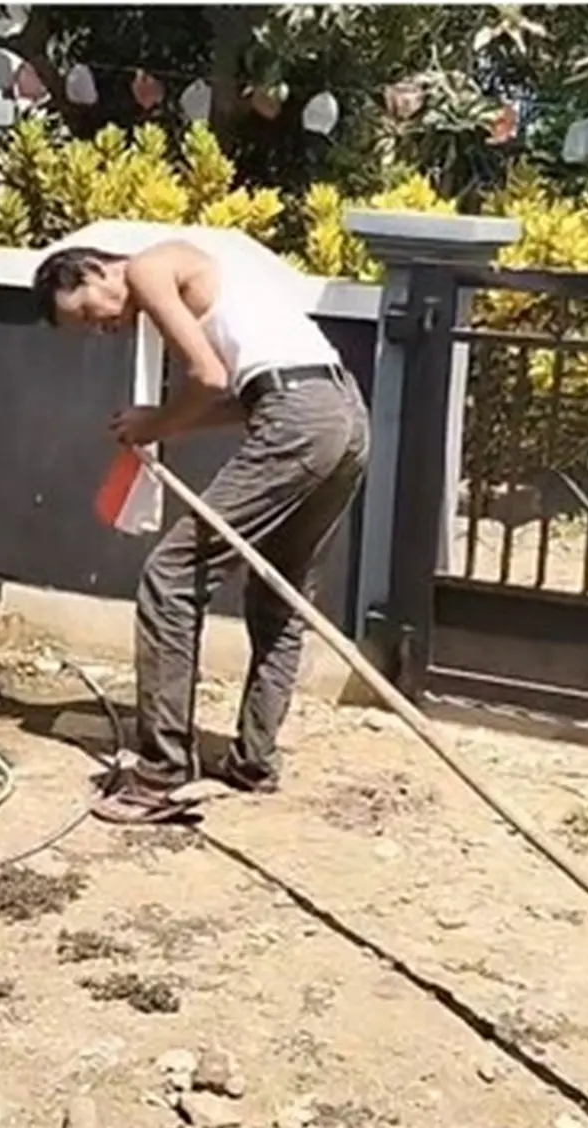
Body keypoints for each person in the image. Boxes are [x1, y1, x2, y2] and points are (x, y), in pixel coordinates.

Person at [32, 239, 370, 824]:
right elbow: (245, 395)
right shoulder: (212, 281)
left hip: (299, 420)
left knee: (170, 578)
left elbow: (208, 376)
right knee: (279, 594)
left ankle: (160, 775)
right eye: (86, 329)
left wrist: (157, 421)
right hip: (342, 414)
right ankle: (253, 762)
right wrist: (166, 428)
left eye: (90, 312)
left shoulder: (146, 265)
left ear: (97, 269)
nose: (102, 328)